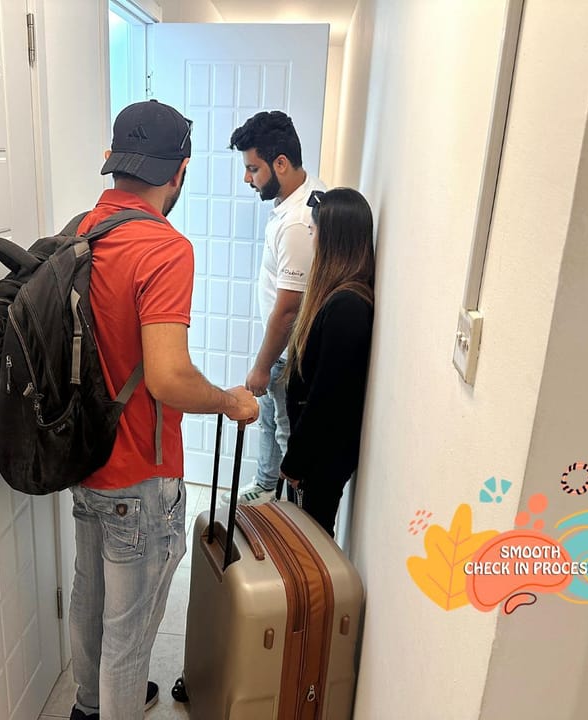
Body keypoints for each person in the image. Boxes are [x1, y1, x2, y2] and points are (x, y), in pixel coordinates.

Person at [67, 100, 259, 720]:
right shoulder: (164, 248)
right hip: (139, 476)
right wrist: (229, 401)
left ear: (113, 161)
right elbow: (169, 377)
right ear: (179, 171)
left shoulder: (81, 231)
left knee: (89, 599)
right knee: (127, 637)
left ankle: (87, 708)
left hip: (84, 461)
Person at [223, 110, 327, 506]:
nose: (247, 178)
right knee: (269, 421)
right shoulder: (301, 196)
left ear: (280, 163)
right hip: (282, 348)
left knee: (287, 434)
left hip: (287, 351)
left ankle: (292, 514)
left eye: (253, 169)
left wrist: (262, 366)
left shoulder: (299, 222)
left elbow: (288, 310)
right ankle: (266, 485)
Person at [279, 188, 375, 537]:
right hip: (316, 455)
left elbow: (327, 396)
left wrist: (295, 462)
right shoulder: (339, 298)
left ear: (334, 238)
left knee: (310, 543)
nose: (312, 237)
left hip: (319, 459)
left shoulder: (347, 307)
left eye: (315, 230)